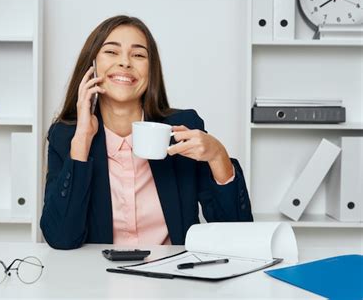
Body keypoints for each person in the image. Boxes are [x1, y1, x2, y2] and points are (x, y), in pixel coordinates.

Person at [40, 15, 253, 250]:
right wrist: (82, 139)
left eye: (138, 55)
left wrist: (218, 156)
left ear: (151, 71)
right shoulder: (65, 136)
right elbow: (61, 238)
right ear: (91, 66)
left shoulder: (182, 128)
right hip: (97, 280)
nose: (125, 63)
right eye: (111, 52)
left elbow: (237, 233)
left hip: (173, 279)